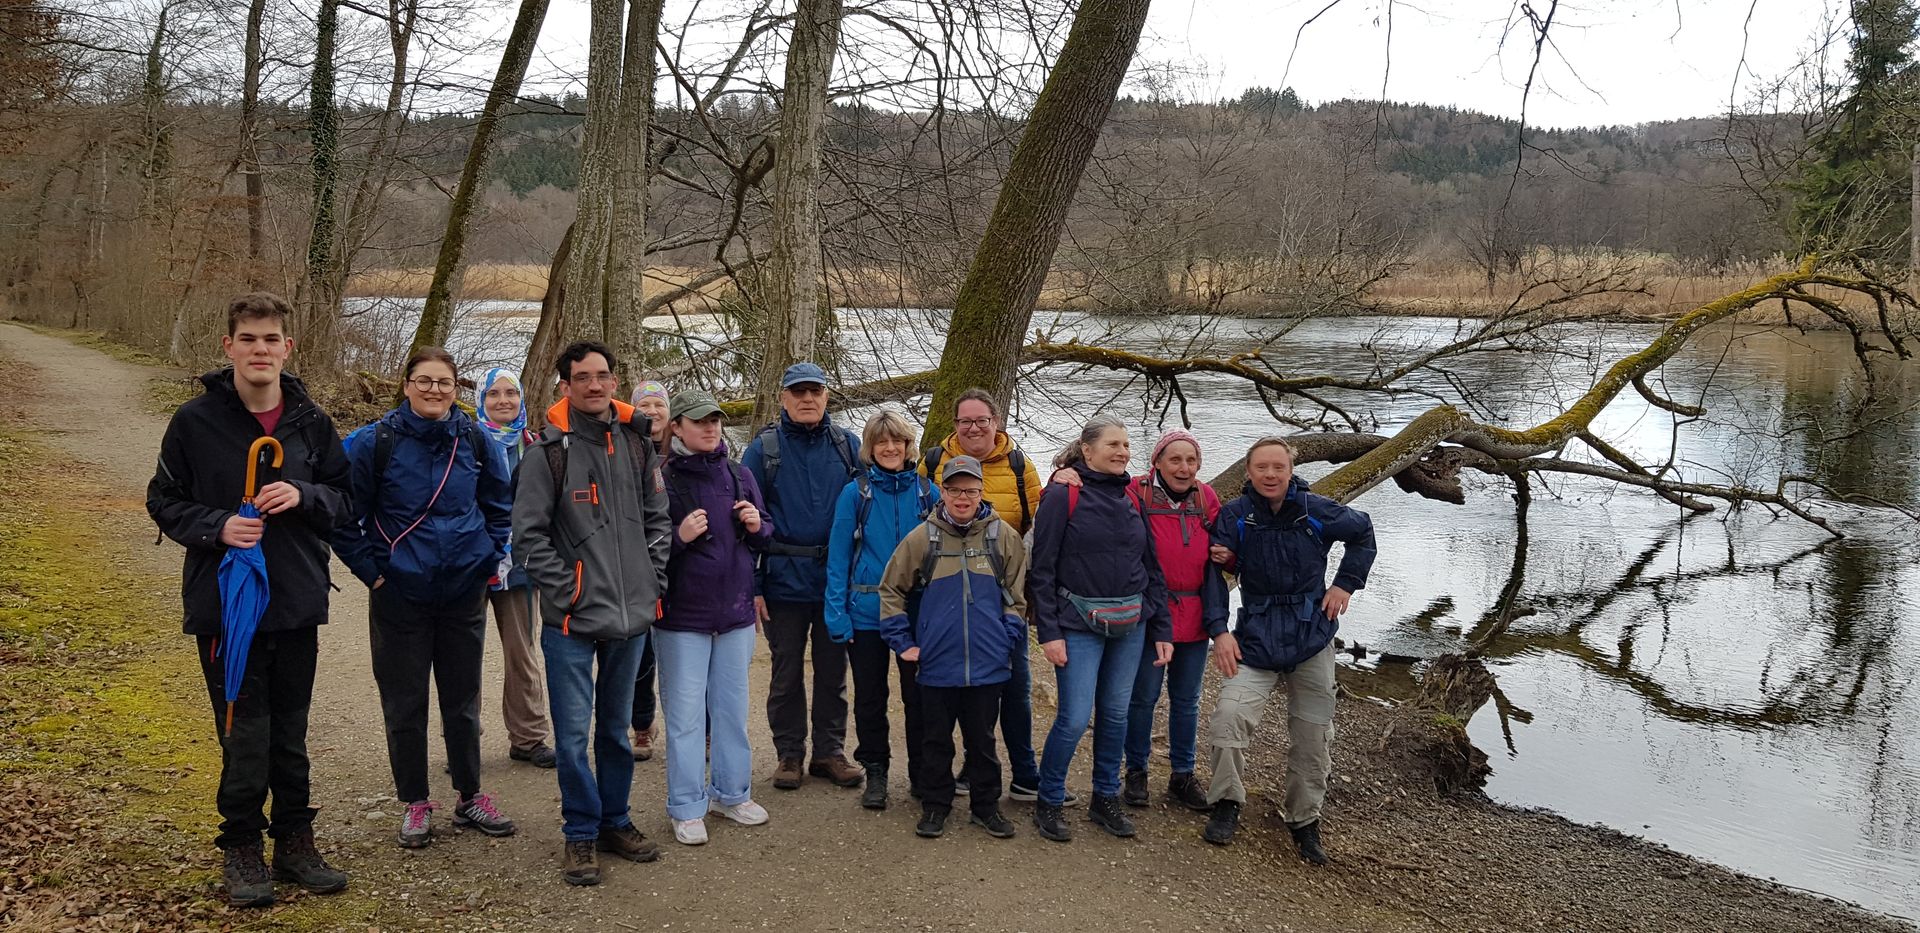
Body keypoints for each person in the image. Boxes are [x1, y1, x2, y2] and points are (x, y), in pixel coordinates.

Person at [146, 292, 352, 908]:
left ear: (288, 348)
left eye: (272, 340)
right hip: (225, 607)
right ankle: (240, 846)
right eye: (249, 339)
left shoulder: (311, 422)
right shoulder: (195, 421)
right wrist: (218, 527)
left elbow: (346, 500)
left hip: (293, 601)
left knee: (290, 729)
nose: (261, 350)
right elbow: (163, 499)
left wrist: (305, 497)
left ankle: (294, 841)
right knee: (243, 729)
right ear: (229, 346)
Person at [335, 347, 518, 848]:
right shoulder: (376, 442)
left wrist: (487, 559)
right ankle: (415, 801)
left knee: (462, 701)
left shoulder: (476, 440)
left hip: (463, 591)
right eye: (424, 381)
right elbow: (343, 516)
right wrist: (372, 573)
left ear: (456, 388)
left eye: (444, 382)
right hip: (399, 593)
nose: (434, 390)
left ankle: (469, 794)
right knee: (405, 702)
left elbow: (500, 506)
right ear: (407, 383)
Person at [514, 341, 671, 886]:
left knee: (615, 730)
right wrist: (571, 593)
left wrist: (655, 582)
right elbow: (528, 539)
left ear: (614, 381)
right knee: (573, 735)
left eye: (604, 375)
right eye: (583, 377)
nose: (596, 385)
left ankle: (615, 820)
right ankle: (579, 833)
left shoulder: (636, 444)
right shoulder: (547, 453)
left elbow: (658, 519)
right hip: (572, 623)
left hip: (632, 619)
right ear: (566, 386)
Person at [1199, 437, 1375, 864]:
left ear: (1290, 469)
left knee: (1313, 736)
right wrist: (1219, 631)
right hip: (1255, 637)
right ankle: (1227, 801)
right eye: (1262, 468)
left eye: (1278, 467)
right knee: (1228, 718)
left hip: (1311, 635)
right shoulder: (1236, 517)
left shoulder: (1316, 510)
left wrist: (1345, 583)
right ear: (1249, 472)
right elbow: (1211, 572)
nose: (1271, 475)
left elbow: (1363, 532)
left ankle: (1303, 818)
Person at [1027, 414, 1171, 843]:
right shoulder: (1062, 495)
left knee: (1116, 714)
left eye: (1126, 446)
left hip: (1132, 623)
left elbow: (1151, 565)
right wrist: (1048, 632)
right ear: (1087, 450)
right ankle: (1049, 799)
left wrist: (1161, 627)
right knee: (1072, 718)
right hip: (1077, 623)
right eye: (1113, 445)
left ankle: (1105, 797)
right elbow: (1043, 568)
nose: (1122, 452)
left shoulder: (1133, 495)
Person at [917, 388, 1054, 804]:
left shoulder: (1018, 465)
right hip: (949, 597)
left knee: (1015, 686)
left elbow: (1040, 526)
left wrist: (1025, 599)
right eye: (965, 421)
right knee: (957, 692)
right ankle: (965, 770)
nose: (974, 428)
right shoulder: (935, 462)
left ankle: (1025, 773)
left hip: (1002, 600)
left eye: (982, 420)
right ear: (954, 424)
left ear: (997, 421)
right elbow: (920, 523)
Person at [877, 455, 1025, 840]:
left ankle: (986, 807)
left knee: (983, 741)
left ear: (981, 492)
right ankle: (936, 806)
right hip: (936, 664)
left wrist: (1005, 638)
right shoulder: (921, 538)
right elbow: (891, 590)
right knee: (935, 740)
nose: (963, 497)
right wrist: (902, 643)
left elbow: (1018, 599)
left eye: (971, 490)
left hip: (988, 665)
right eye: (955, 490)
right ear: (942, 492)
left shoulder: (1002, 536)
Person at [656, 390, 774, 845]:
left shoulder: (739, 474)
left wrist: (755, 524)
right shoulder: (660, 479)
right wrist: (679, 536)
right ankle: (686, 805)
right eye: (699, 421)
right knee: (685, 716)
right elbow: (647, 547)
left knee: (731, 710)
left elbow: (767, 533)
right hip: (682, 617)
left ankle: (732, 793)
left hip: (736, 614)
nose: (710, 428)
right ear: (678, 427)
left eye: (716, 421)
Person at [741, 361, 863, 791]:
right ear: (784, 398)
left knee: (834, 671)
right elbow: (746, 524)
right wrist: (754, 586)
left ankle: (829, 752)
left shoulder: (848, 446)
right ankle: (789, 753)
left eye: (815, 391)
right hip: (781, 580)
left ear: (827, 395)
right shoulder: (763, 450)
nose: (807, 399)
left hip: (834, 582)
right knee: (786, 671)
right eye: (798, 392)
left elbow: (867, 515)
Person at [825, 409, 940, 810]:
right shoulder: (855, 493)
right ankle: (875, 771)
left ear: (909, 446)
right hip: (866, 610)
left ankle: (923, 774)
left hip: (917, 611)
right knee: (870, 697)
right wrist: (835, 614)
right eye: (881, 442)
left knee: (920, 696)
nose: (890, 448)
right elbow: (838, 557)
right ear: (870, 448)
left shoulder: (928, 492)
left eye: (898, 441)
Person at [1120, 430, 1227, 811]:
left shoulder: (1206, 496)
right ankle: (1136, 771)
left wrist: (1227, 554)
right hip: (1151, 612)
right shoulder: (1137, 491)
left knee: (1187, 700)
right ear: (1158, 462)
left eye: (1191, 461)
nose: (1184, 468)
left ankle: (1182, 774)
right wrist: (1065, 472)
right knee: (1143, 698)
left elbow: (1225, 544)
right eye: (1175, 460)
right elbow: (1093, 479)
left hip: (1196, 614)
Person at [480, 368, 556, 770]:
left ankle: (528, 737)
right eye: (494, 394)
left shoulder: (534, 445)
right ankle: (462, 737)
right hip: (473, 562)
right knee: (464, 654)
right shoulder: (466, 441)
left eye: (511, 393)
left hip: (521, 566)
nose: (504, 401)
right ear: (481, 399)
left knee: (522, 652)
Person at [628, 380, 670, 761]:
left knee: (683, 652)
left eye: (659, 404)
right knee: (639, 654)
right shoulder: (627, 449)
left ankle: (699, 729)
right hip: (636, 567)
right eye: (645, 404)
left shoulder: (684, 452)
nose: (652, 411)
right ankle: (642, 724)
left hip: (683, 566)